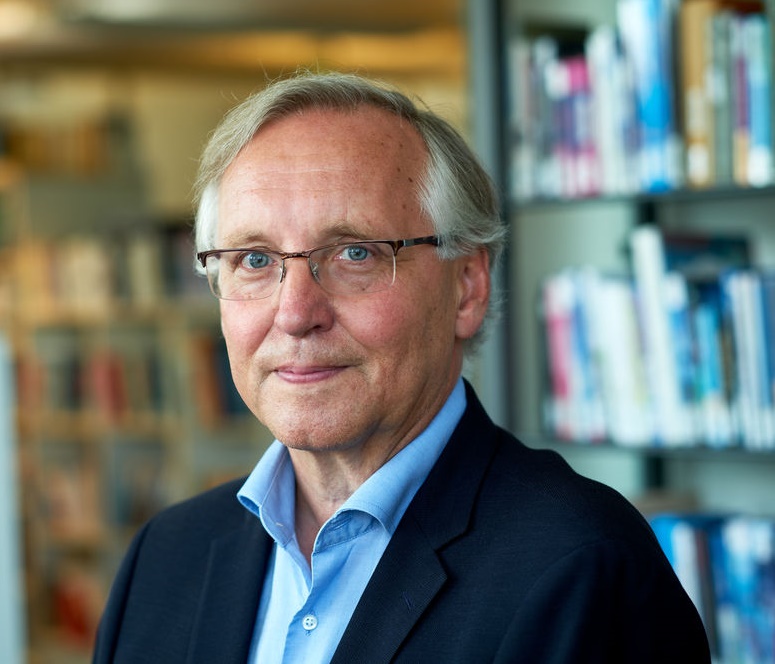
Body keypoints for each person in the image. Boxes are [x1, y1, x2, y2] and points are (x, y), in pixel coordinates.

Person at [92, 71, 710, 663]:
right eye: (254, 260)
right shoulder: (165, 558)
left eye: (354, 253)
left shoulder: (582, 569)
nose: (296, 313)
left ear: (466, 288)